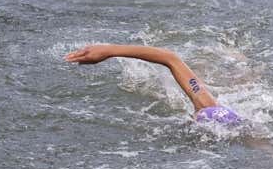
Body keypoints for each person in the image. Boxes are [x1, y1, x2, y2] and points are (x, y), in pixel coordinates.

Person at [64, 44, 244, 126]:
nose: (195, 115)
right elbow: (169, 58)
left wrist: (111, 50)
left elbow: (170, 58)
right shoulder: (208, 107)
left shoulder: (208, 108)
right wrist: (110, 50)